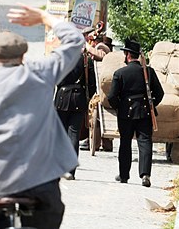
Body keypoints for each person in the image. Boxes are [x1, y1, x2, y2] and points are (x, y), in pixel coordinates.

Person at [0, 5, 83, 229]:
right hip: (41, 179)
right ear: (23, 56)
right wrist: (46, 17)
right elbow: (75, 41)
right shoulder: (40, 74)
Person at [108, 39, 164, 187]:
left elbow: (111, 96)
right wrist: (151, 105)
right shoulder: (149, 72)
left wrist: (119, 108)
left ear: (127, 55)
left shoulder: (120, 73)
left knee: (125, 143)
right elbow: (160, 93)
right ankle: (145, 175)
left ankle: (124, 175)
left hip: (125, 113)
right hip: (145, 111)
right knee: (145, 142)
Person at [54, 46, 96, 180]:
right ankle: (71, 170)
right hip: (79, 98)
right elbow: (92, 84)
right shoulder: (86, 60)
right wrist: (86, 97)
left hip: (62, 98)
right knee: (74, 134)